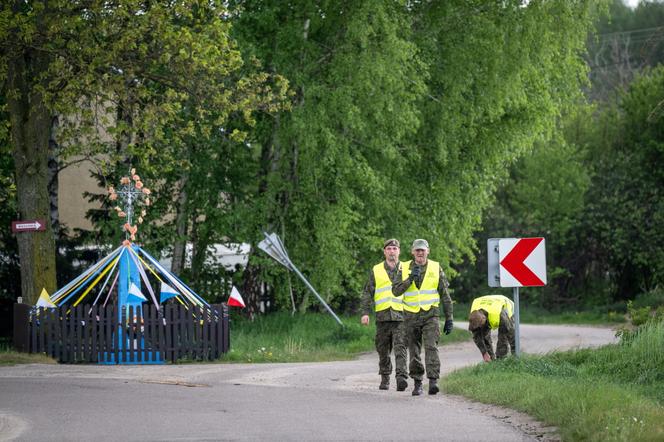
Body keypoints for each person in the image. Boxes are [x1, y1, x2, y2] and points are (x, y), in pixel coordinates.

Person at [401, 239, 454, 396]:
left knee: (431, 346)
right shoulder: (403, 268)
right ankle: (417, 383)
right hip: (410, 316)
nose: (420, 253)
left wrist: (449, 317)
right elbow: (395, 291)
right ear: (412, 252)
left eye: (422, 250)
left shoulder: (436, 268)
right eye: (417, 250)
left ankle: (433, 381)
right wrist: (409, 278)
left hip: (431, 314)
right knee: (414, 350)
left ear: (428, 251)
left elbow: (445, 294)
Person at [360, 239, 411, 391]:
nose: (391, 251)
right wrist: (365, 312)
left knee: (401, 347)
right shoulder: (376, 269)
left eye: (394, 248)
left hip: (401, 315)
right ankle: (385, 377)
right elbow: (367, 292)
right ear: (384, 252)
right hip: (382, 317)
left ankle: (401, 377)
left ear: (399, 251)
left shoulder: (407, 268)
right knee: (383, 349)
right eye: (389, 248)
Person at [468, 294, 516, 362]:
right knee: (485, 336)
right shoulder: (474, 316)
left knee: (503, 337)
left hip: (506, 305)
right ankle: (491, 360)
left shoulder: (499, 315)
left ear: (484, 318)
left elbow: (511, 335)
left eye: (480, 325)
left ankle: (501, 360)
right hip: (486, 304)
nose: (480, 327)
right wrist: (484, 352)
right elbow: (476, 336)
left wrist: (515, 355)